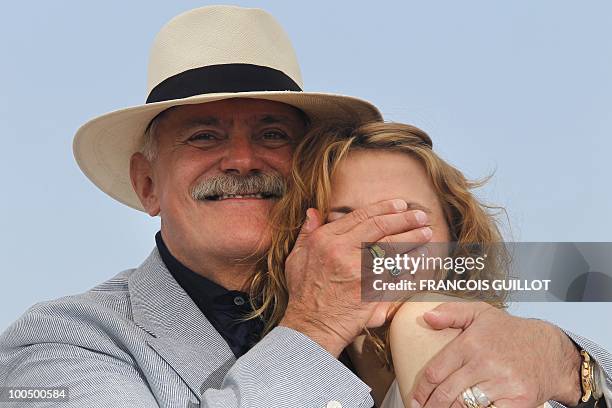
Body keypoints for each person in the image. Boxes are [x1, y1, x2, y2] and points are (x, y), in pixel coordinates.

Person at [0, 5, 610, 408]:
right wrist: (314, 329)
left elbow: (583, 273)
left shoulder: (409, 282)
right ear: (147, 184)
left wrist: (572, 362)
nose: (241, 159)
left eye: (272, 134)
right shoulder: (63, 339)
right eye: (203, 136)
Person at [250, 121, 560, 408]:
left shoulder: (440, 333)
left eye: (407, 220)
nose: (382, 242)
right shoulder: (278, 361)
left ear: (455, 240)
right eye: (346, 220)